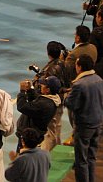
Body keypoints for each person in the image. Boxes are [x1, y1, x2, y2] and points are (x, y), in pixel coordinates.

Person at [65, 54, 103, 182]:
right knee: (91, 157)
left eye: (76, 64)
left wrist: (67, 95)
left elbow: (70, 104)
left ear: (80, 67)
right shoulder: (99, 79)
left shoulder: (79, 84)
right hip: (98, 122)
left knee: (81, 160)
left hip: (84, 125)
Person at [15, 76, 61, 152]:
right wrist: (29, 90)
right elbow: (36, 99)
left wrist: (22, 91)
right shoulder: (51, 99)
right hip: (34, 136)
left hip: (29, 138)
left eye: (43, 85)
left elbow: (22, 106)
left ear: (48, 89)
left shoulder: (44, 104)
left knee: (25, 160)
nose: (41, 86)